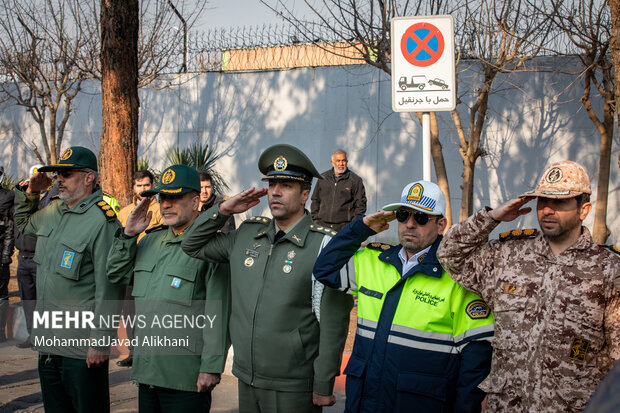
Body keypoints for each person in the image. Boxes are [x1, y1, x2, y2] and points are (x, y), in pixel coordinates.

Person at [437, 160, 620, 412]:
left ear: (584, 209)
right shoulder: (508, 256)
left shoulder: (609, 269)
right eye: (542, 201)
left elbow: (616, 359)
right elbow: (450, 254)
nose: (547, 210)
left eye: (559, 203)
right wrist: (491, 218)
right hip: (506, 405)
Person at [182, 144, 353, 413]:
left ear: (305, 194)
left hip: (294, 385)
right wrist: (223, 210)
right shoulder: (247, 235)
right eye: (272, 183)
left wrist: (323, 383)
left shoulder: (325, 246)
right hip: (246, 376)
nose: (275, 191)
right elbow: (191, 243)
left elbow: (335, 324)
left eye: (286, 185)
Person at [313, 180, 494, 413]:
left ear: (441, 225)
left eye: (420, 218)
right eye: (402, 215)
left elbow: (475, 360)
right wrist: (360, 228)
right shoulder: (372, 260)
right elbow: (324, 269)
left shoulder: (457, 276)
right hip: (364, 402)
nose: (409, 224)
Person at [107, 164, 230, 413]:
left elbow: (219, 313)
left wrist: (211, 366)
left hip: (184, 377)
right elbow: (115, 274)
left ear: (196, 202)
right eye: (163, 197)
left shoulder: (211, 246)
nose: (166, 204)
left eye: (175, 197)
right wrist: (129, 234)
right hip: (147, 372)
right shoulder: (149, 240)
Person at [14, 146, 125, 413]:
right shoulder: (54, 212)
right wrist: (32, 193)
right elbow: (24, 224)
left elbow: (110, 287)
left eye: (66, 173)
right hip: (49, 343)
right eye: (57, 174)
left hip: (80, 349)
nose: (59, 179)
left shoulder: (103, 221)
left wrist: (100, 342)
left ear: (89, 177)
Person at [115, 169, 162, 367]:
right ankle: (134, 353)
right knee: (130, 314)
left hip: (152, 271)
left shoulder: (160, 210)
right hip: (130, 271)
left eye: (146, 185)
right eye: (139, 185)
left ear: (153, 186)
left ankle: (151, 353)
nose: (143, 189)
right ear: (133, 188)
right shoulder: (124, 212)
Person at [14, 164, 43, 348]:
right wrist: (22, 189)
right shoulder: (24, 203)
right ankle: (32, 335)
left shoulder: (46, 203)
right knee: (28, 301)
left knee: (42, 302)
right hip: (22, 259)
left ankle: (41, 336)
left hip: (38, 259)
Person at [310, 149, 367, 231]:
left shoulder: (355, 180)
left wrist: (353, 224)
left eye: (343, 161)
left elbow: (361, 204)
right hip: (322, 226)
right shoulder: (323, 178)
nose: (341, 164)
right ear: (332, 162)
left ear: (347, 162)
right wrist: (315, 219)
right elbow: (315, 199)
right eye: (338, 161)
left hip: (344, 227)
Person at [0, 165, 14, 343]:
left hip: (0, 255)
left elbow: (10, 228)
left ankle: (0, 333)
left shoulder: (6, 197)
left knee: (1, 294)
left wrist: (6, 254)